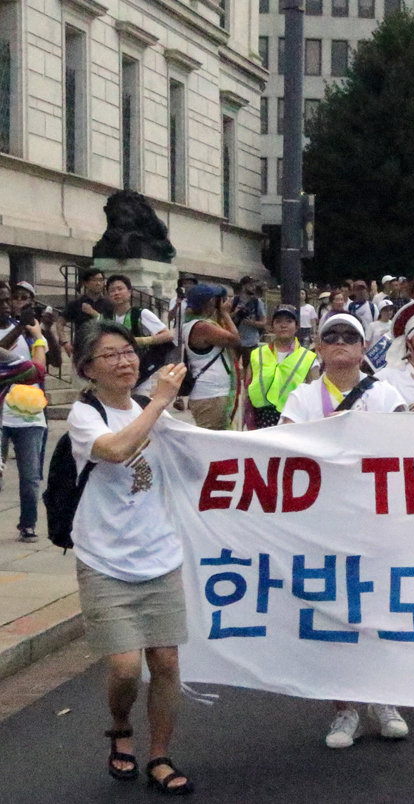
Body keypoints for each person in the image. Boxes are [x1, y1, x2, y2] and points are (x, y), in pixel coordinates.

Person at [68, 321, 193, 794]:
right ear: (86, 368)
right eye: (110, 355)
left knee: (165, 663)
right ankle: (120, 726)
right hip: (105, 560)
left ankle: (159, 754)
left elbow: (199, 455)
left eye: (128, 352)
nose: (125, 362)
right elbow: (116, 450)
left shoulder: (149, 408)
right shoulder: (86, 415)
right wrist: (160, 403)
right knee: (124, 668)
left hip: (160, 556)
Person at [278, 313, 406, 748]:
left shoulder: (386, 394)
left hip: (376, 519)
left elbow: (404, 448)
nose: (339, 343)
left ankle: (384, 697)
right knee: (333, 613)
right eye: (329, 335)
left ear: (364, 345)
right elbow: (289, 449)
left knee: (380, 608)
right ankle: (345, 709)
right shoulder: (302, 396)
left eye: (349, 336)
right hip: (323, 521)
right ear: (317, 345)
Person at [0, 284, 49, 541]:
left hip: (28, 416)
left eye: (11, 300)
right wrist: (21, 328)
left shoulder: (31, 331)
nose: (8, 305)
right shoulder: (21, 329)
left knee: (30, 478)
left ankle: (28, 524)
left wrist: (42, 331)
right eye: (4, 300)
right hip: (2, 414)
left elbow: (48, 366)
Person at [247, 305, 319, 429]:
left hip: (294, 417)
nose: (283, 325)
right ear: (271, 326)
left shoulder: (309, 358)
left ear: (297, 326)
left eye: (289, 321)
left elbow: (315, 393)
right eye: (278, 321)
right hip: (261, 417)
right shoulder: (257, 354)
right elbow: (248, 385)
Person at [182, 285, 240, 430]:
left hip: (210, 393)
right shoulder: (202, 327)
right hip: (211, 394)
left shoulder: (192, 323)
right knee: (214, 440)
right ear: (209, 303)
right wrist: (225, 314)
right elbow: (235, 339)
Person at [105, 275, 174, 394]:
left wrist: (142, 341)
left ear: (129, 292)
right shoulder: (105, 317)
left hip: (140, 369)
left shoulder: (141, 313)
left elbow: (167, 335)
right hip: (116, 370)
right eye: (112, 290)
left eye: (120, 289)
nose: (116, 293)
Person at [58, 268, 114, 356]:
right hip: (82, 348)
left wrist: (93, 312)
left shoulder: (109, 304)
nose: (98, 283)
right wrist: (65, 342)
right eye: (94, 280)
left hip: (104, 347)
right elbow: (60, 323)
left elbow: (111, 325)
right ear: (85, 283)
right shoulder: (76, 303)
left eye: (101, 280)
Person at [230, 278, 267, 370]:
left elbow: (264, 323)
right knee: (232, 368)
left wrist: (251, 323)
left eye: (254, 285)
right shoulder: (233, 301)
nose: (253, 288)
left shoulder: (257, 302)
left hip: (251, 341)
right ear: (244, 286)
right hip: (235, 339)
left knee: (251, 369)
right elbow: (224, 316)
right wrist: (235, 313)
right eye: (251, 285)